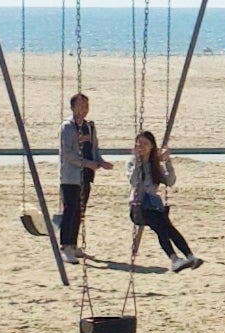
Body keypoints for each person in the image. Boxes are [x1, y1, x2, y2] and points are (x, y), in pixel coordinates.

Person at [128, 131, 202, 272]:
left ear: (151, 147)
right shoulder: (132, 162)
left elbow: (170, 181)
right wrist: (139, 162)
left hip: (154, 206)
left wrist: (167, 161)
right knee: (162, 227)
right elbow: (133, 181)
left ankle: (189, 257)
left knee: (168, 228)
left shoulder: (155, 166)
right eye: (139, 143)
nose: (141, 146)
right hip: (139, 208)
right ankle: (174, 259)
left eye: (145, 144)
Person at [57, 93, 115, 252]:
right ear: (73, 107)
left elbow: (94, 149)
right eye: (80, 105)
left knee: (80, 210)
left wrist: (100, 162)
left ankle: (73, 244)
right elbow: (67, 154)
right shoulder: (67, 127)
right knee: (70, 209)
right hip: (71, 176)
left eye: (86, 106)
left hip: (86, 175)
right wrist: (87, 163)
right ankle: (65, 245)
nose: (84, 109)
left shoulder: (89, 126)